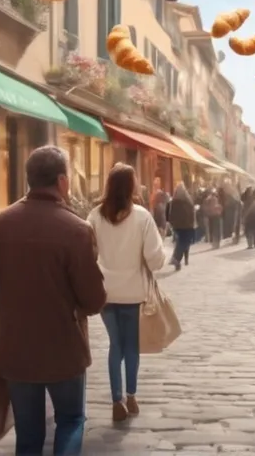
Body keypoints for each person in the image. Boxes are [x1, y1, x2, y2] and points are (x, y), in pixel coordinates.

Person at [0, 146, 107, 455]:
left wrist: (15, 300)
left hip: (15, 346)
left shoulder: (0, 223)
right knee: (71, 420)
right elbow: (94, 299)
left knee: (29, 433)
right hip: (64, 346)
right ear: (62, 181)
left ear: (29, 180)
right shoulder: (76, 230)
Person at [87, 164, 166, 422]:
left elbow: (88, 252)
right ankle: (131, 397)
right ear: (132, 186)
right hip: (133, 293)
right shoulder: (142, 217)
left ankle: (116, 400)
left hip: (106, 292)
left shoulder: (95, 216)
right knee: (131, 345)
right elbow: (154, 258)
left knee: (115, 346)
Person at [168, 182, 196, 270]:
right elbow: (192, 212)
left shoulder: (174, 201)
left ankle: (178, 261)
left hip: (177, 226)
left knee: (181, 241)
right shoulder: (188, 200)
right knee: (184, 242)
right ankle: (176, 258)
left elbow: (171, 213)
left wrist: (172, 223)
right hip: (187, 225)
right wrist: (193, 223)